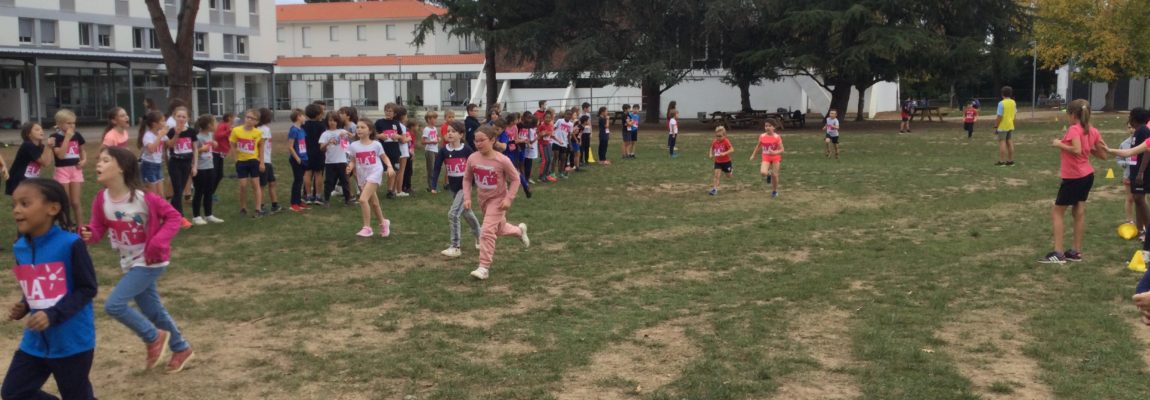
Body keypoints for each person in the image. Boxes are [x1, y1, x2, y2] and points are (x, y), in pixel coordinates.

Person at [82, 147, 193, 374]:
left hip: (150, 260)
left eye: (105, 160)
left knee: (114, 305)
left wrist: (158, 242)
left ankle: (153, 337)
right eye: (99, 160)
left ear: (121, 168)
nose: (98, 164)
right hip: (129, 261)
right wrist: (88, 233)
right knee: (153, 310)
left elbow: (174, 217)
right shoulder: (101, 199)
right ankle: (181, 348)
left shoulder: (145, 198)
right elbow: (98, 228)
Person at [5, 178, 98, 399]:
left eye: (25, 204)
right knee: (14, 393)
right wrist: (25, 305)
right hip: (35, 343)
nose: (17, 210)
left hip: (72, 342)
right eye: (14, 205)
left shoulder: (70, 244)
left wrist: (53, 314)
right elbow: (36, 286)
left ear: (53, 208)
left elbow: (87, 288)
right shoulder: (20, 248)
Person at [1040, 99, 1106, 263]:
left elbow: (1076, 149)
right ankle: (1075, 251)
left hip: (1074, 177)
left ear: (1073, 115)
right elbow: (1103, 155)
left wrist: (1059, 144)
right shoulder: (1093, 130)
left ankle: (1058, 253)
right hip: (1087, 176)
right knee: (1078, 212)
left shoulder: (1074, 129)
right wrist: (1088, 149)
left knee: (1057, 212)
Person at [462, 126, 530, 281]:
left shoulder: (502, 160)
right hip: (483, 199)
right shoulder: (472, 158)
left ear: (492, 140)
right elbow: (467, 179)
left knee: (486, 231)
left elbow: (516, 179)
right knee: (498, 228)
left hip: (498, 201)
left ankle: (483, 267)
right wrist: (467, 197)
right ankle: (519, 231)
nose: (478, 144)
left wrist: (508, 199)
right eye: (476, 141)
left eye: (482, 140)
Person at [434, 121, 481, 257]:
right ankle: (480, 236)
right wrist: (433, 184)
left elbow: (476, 166)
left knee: (453, 214)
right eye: (448, 131)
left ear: (461, 135)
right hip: (453, 187)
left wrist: (479, 183)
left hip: (464, 187)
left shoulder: (467, 150)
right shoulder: (443, 150)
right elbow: (437, 167)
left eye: (453, 131)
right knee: (467, 213)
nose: (449, 133)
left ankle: (455, 247)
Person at [347, 119, 395, 237]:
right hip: (362, 176)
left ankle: (367, 228)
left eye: (363, 127)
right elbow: (353, 160)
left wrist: (389, 167)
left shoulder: (376, 144)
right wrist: (350, 166)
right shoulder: (353, 146)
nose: (359, 129)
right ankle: (383, 223)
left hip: (375, 173)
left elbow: (384, 157)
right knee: (374, 203)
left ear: (370, 131)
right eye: (358, 127)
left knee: (363, 199)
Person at [50, 109, 87, 231]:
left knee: (75, 202)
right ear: (59, 124)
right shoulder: (54, 137)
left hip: (75, 170)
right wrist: (67, 138)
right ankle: (66, 225)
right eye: (68, 123)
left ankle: (80, 227)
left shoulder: (77, 135)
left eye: (73, 123)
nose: (72, 126)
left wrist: (84, 160)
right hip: (62, 170)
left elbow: (82, 150)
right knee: (64, 201)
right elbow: (60, 155)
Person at [229, 109, 265, 217]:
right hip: (241, 161)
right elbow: (232, 144)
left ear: (256, 122)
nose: (249, 120)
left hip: (253, 160)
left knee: (255, 184)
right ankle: (243, 207)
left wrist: (262, 162)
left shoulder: (258, 132)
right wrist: (236, 159)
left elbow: (261, 147)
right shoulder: (236, 130)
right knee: (243, 185)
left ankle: (258, 209)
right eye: (247, 117)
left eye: (252, 118)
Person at [164, 107, 196, 229]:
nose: (181, 119)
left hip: (187, 163)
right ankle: (181, 218)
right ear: (174, 117)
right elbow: (169, 145)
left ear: (187, 118)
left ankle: (169, 213)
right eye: (179, 116)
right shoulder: (171, 131)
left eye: (184, 117)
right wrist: (177, 134)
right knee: (177, 190)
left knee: (180, 191)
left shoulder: (191, 131)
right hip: (175, 163)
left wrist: (195, 165)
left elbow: (194, 149)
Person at [191, 114, 224, 225]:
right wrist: (201, 149)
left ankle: (208, 215)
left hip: (210, 166)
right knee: (199, 192)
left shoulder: (210, 135)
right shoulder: (198, 137)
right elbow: (193, 152)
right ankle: (196, 216)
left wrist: (214, 144)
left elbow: (212, 146)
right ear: (209, 125)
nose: (217, 124)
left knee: (209, 192)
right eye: (215, 122)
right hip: (200, 168)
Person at [5, 122, 53, 197]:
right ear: (28, 134)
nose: (41, 131)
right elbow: (44, 162)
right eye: (37, 130)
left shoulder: (41, 146)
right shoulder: (27, 145)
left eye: (41, 129)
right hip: (20, 178)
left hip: (31, 177)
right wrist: (48, 147)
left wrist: (48, 148)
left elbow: (47, 163)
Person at [320, 112, 353, 206]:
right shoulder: (325, 134)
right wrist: (328, 142)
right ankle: (326, 200)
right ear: (327, 121)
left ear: (338, 121)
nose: (332, 122)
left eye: (335, 120)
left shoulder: (342, 131)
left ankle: (348, 200)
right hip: (330, 162)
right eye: (330, 120)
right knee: (329, 181)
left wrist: (346, 135)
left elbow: (351, 140)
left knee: (345, 180)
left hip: (342, 160)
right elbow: (321, 148)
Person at [137, 111, 168, 198]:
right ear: (155, 124)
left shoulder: (160, 132)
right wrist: (159, 136)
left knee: (161, 195)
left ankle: (159, 207)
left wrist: (177, 133)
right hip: (149, 166)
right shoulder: (148, 135)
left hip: (158, 165)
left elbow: (170, 144)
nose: (165, 123)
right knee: (152, 196)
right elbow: (151, 149)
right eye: (162, 121)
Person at [749, 121, 784, 198]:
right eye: (766, 126)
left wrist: (774, 152)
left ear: (774, 127)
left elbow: (782, 149)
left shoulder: (777, 137)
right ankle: (768, 174)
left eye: (769, 126)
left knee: (775, 175)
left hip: (775, 157)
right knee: (763, 173)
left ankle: (774, 191)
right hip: (766, 157)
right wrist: (753, 155)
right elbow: (758, 146)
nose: (767, 127)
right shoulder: (762, 136)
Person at [256, 108, 281, 213]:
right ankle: (260, 206)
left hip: (267, 160)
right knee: (262, 185)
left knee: (272, 182)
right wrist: (261, 161)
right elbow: (260, 146)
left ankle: (275, 205)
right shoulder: (264, 129)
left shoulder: (263, 128)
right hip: (263, 161)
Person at [302, 104, 327, 205]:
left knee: (307, 173)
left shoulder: (304, 125)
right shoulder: (322, 126)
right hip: (318, 151)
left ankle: (308, 196)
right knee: (318, 174)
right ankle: (318, 196)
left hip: (306, 151)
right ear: (318, 114)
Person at [286, 109, 310, 212]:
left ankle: (299, 201)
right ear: (298, 117)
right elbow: (290, 147)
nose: (305, 118)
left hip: (304, 158)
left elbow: (303, 143)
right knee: (297, 181)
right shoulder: (293, 130)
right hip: (297, 159)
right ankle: (294, 203)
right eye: (303, 116)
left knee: (300, 181)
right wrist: (297, 159)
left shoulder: (302, 130)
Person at [211, 112, 234, 203]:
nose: (234, 119)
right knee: (214, 175)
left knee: (219, 175)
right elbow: (217, 136)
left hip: (221, 153)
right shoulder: (222, 125)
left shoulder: (227, 126)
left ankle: (211, 193)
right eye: (233, 117)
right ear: (229, 118)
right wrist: (229, 131)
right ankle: (209, 194)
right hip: (215, 153)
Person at [1118, 123, 1137, 227]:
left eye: (1134, 127)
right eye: (1129, 127)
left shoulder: (1144, 143)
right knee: (1129, 198)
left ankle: (1143, 220)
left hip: (1141, 176)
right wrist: (1124, 163)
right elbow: (1119, 158)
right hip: (1128, 176)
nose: (1132, 130)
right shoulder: (1124, 144)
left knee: (1140, 199)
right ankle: (1129, 220)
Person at [708, 126, 734, 196]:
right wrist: (710, 154)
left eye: (720, 136)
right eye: (717, 136)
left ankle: (731, 170)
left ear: (724, 135)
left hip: (726, 162)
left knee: (729, 176)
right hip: (718, 162)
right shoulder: (715, 141)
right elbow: (711, 147)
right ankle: (714, 189)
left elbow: (732, 149)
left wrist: (724, 153)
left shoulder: (726, 141)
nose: (718, 138)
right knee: (716, 175)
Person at [996, 86, 1018, 166]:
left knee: (1002, 143)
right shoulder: (1013, 102)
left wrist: (996, 125)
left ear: (1002, 94)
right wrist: (1012, 122)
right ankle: (1010, 161)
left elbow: (999, 116)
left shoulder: (1001, 103)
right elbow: (1014, 114)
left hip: (1003, 125)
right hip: (1010, 125)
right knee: (1009, 142)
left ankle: (1002, 161)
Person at [422, 111, 441, 194]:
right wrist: (431, 142)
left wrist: (438, 139)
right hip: (429, 150)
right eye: (434, 118)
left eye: (435, 118)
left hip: (435, 150)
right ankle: (431, 187)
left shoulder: (434, 128)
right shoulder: (426, 129)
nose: (435, 120)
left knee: (436, 168)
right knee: (431, 169)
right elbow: (423, 141)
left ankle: (434, 185)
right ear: (428, 120)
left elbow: (436, 137)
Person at [552, 110, 573, 178]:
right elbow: (553, 129)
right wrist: (552, 137)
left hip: (564, 143)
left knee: (563, 158)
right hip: (556, 142)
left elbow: (568, 135)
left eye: (570, 115)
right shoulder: (560, 121)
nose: (568, 116)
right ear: (565, 114)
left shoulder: (571, 124)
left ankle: (561, 173)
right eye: (567, 114)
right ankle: (552, 173)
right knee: (555, 157)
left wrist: (570, 144)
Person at [538, 110, 556, 182]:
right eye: (546, 117)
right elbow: (538, 135)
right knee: (545, 160)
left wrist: (552, 136)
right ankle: (541, 176)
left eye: (549, 118)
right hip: (542, 144)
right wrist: (542, 134)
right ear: (543, 118)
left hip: (548, 144)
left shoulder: (551, 125)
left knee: (549, 160)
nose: (548, 119)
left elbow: (551, 134)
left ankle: (546, 175)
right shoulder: (542, 126)